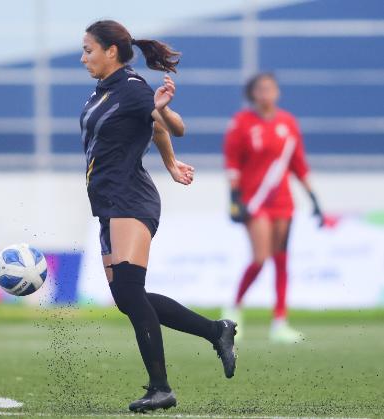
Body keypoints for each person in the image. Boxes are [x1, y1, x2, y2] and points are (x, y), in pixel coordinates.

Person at [80, 19, 237, 413]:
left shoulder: (132, 88)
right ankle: (216, 330)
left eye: (88, 50)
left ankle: (160, 388)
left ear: (110, 51)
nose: (83, 57)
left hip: (130, 199)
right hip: (107, 204)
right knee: (126, 298)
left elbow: (172, 126)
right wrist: (169, 162)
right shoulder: (102, 92)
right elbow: (152, 130)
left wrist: (163, 111)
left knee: (132, 291)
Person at [222, 73, 325, 344]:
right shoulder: (241, 123)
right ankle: (233, 311)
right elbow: (232, 162)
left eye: (270, 88)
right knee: (260, 257)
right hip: (254, 201)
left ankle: (280, 322)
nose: (265, 93)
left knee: (281, 260)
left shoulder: (288, 123)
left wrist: (314, 198)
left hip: (283, 202)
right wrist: (234, 199)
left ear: (277, 92)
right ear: (252, 94)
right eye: (260, 89)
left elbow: (298, 163)